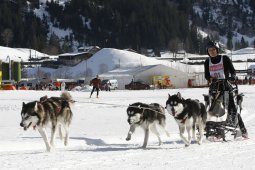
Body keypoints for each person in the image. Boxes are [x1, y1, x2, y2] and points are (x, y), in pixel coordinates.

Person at [204, 41, 248, 138]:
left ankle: (242, 130)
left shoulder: (224, 58)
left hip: (226, 86)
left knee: (231, 108)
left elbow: (233, 71)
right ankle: (218, 131)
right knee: (215, 110)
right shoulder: (207, 62)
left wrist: (232, 77)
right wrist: (211, 79)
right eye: (209, 50)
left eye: (213, 50)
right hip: (214, 88)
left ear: (217, 50)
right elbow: (207, 75)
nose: (211, 51)